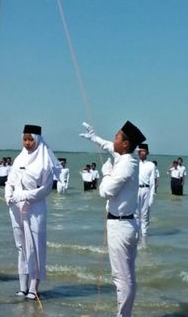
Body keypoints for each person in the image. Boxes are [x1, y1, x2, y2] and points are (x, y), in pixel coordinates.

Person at [80, 120, 146, 317]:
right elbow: (110, 147)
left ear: (125, 144)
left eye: (117, 137)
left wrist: (106, 173)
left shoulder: (126, 165)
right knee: (124, 276)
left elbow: (105, 192)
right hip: (122, 223)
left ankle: (123, 315)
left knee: (122, 278)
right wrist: (95, 138)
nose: (113, 140)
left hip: (121, 225)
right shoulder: (125, 157)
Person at [4, 124, 58, 300]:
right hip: (16, 207)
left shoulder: (45, 162)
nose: (27, 143)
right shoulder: (19, 158)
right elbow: (10, 180)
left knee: (35, 247)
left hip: (35, 208)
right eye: (25, 139)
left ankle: (34, 288)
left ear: (37, 139)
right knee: (21, 247)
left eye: (30, 140)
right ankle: (22, 287)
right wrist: (8, 194)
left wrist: (25, 195)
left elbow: (46, 189)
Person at [136, 143, 157, 238]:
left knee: (145, 215)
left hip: (146, 190)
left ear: (147, 152)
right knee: (135, 214)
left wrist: (152, 197)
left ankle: (144, 236)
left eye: (143, 151)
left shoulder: (151, 165)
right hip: (136, 190)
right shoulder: (135, 163)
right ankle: (135, 235)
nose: (141, 153)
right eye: (139, 151)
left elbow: (152, 182)